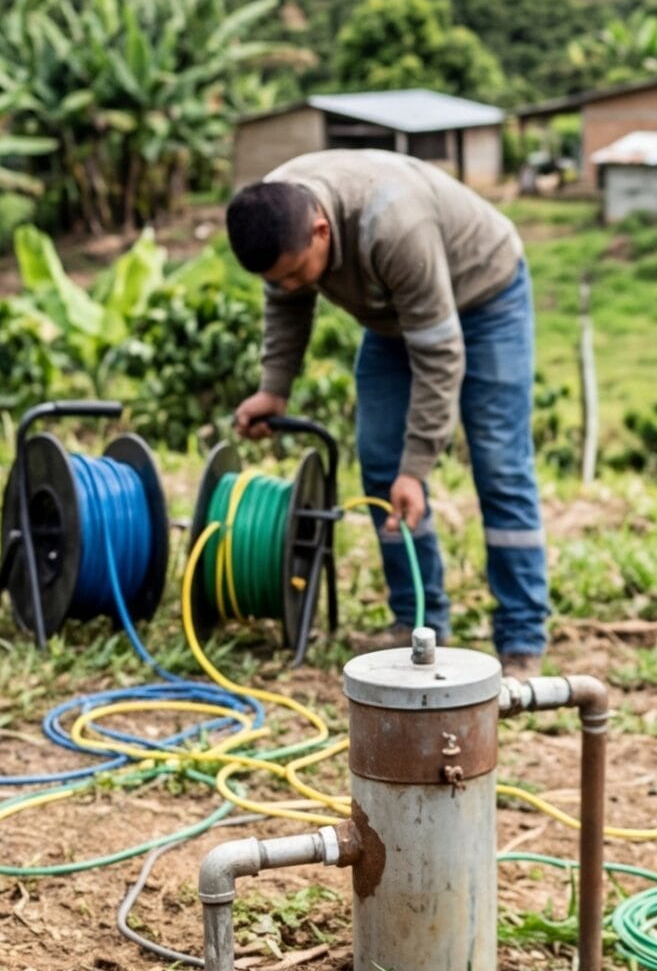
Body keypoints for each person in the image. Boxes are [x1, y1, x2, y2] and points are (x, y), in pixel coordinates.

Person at [226, 150, 550, 676]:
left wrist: (417, 469)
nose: (287, 286)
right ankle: (420, 623)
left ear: (322, 230)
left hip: (485, 297)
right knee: (379, 462)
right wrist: (274, 390)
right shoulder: (276, 207)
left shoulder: (392, 225)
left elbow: (440, 355)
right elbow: (286, 304)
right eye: (275, 279)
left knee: (499, 466)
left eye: (293, 274)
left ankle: (521, 638)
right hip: (395, 318)